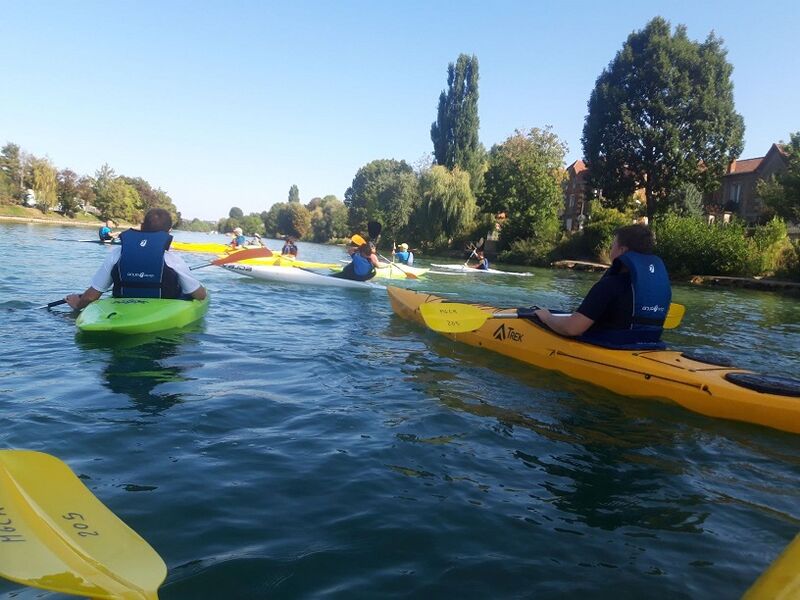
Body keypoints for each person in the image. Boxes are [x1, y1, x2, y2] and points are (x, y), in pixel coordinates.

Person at [533, 224, 671, 348]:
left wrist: (547, 317)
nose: (610, 250)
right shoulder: (661, 288)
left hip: (612, 348)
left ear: (622, 250)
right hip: (650, 347)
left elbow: (572, 329)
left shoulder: (609, 286)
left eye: (613, 245)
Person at [66, 208, 207, 310]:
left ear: (142, 226)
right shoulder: (172, 259)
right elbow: (200, 295)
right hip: (162, 312)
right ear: (169, 231)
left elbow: (92, 295)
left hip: (122, 310)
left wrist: (78, 304)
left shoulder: (117, 254)